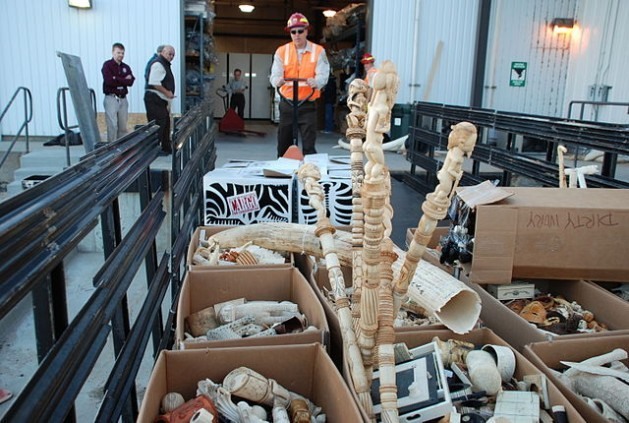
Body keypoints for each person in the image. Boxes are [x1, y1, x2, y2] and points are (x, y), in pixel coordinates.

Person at [270, 12, 330, 157]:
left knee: (309, 145)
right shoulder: (281, 51)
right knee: (283, 143)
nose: (297, 35)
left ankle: (309, 174)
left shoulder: (318, 51)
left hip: (307, 104)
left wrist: (317, 82)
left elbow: (323, 74)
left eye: (300, 31)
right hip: (287, 103)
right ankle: (282, 172)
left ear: (306, 31)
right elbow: (275, 74)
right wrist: (276, 81)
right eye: (293, 32)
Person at [144, 45, 176, 154]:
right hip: (154, 99)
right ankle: (154, 151)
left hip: (161, 100)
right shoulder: (158, 64)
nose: (171, 56)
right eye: (169, 54)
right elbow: (154, 82)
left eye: (173, 55)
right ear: (162, 52)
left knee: (165, 124)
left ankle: (166, 148)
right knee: (158, 126)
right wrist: (167, 92)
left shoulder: (164, 64)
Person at [101, 43, 135, 142]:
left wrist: (116, 78)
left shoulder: (125, 67)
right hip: (111, 98)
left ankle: (121, 148)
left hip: (123, 98)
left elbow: (131, 81)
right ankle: (111, 147)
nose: (120, 55)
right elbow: (109, 81)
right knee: (112, 125)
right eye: (118, 52)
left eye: (122, 53)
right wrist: (123, 79)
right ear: (113, 52)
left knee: (123, 125)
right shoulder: (107, 65)